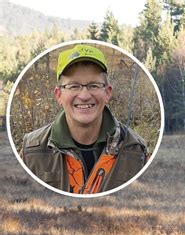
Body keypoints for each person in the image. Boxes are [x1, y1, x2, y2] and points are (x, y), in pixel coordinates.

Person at [20, 44, 148, 194]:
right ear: (58, 95)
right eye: (74, 86)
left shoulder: (136, 150)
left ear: (107, 92)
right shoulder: (31, 150)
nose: (84, 96)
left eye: (94, 85)